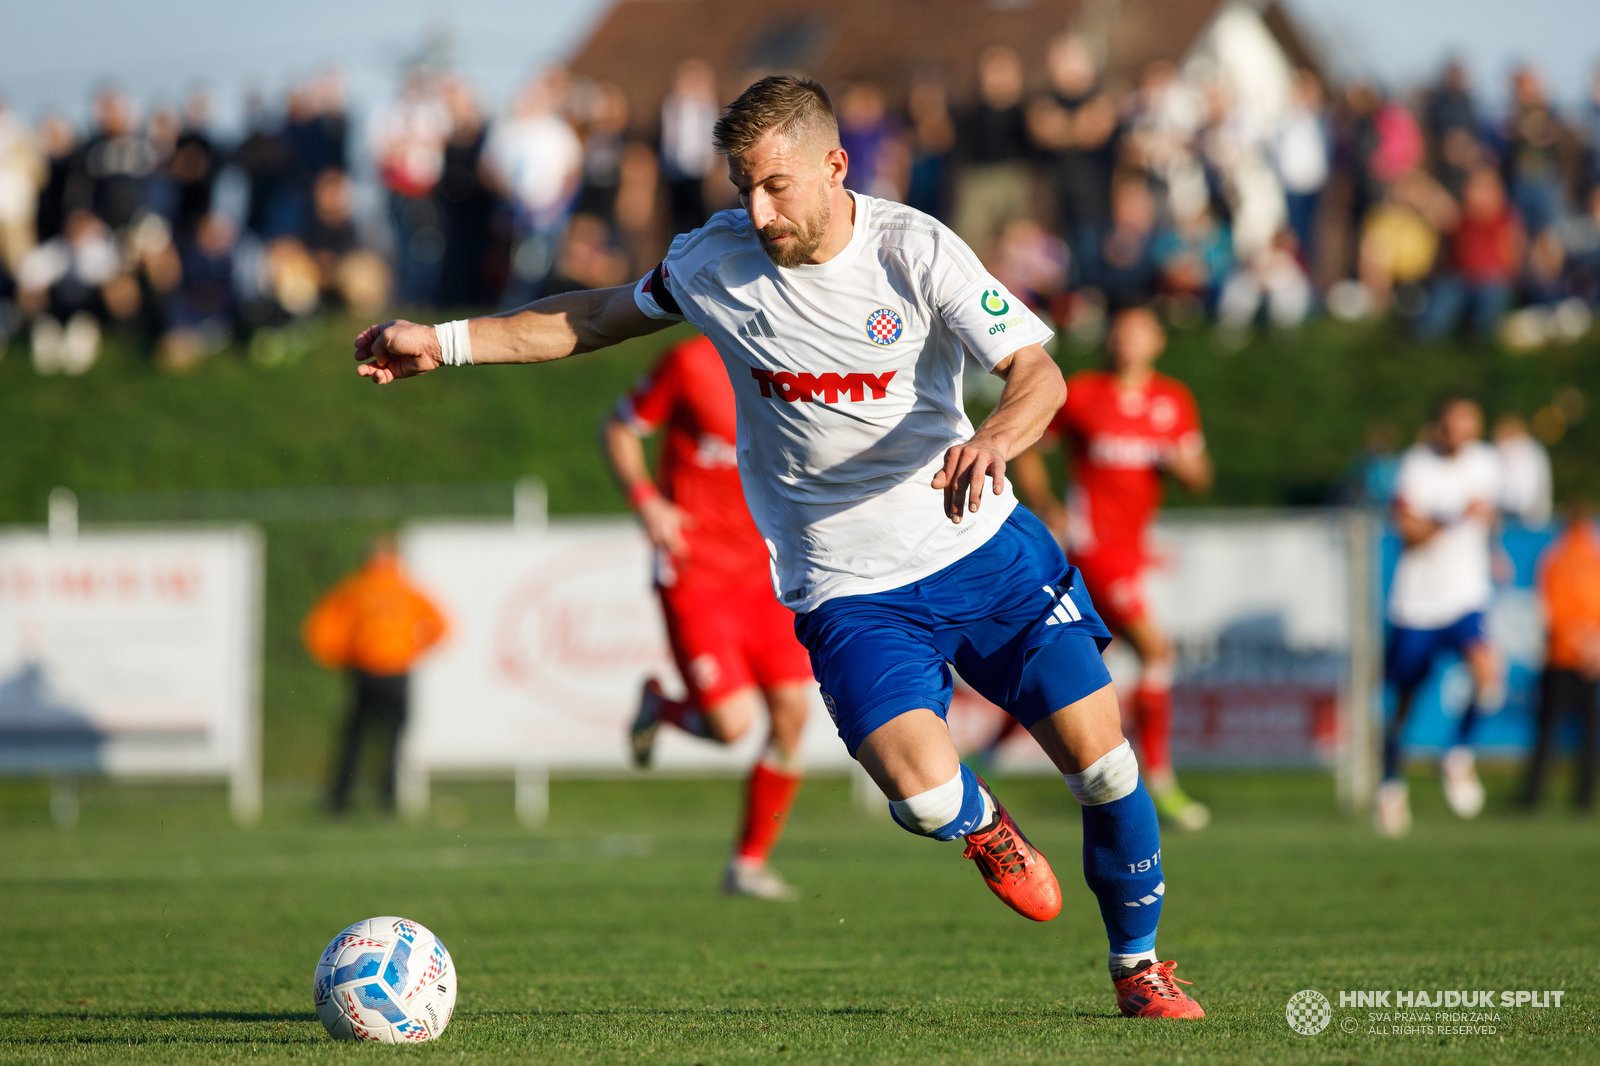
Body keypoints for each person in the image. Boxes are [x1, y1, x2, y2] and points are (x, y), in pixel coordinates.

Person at [352, 75, 1203, 1020]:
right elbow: (592, 318)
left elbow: (1036, 372)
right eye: (742, 187)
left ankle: (1140, 969)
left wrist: (997, 438)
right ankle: (983, 828)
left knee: (1105, 765)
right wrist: (447, 342)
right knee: (924, 800)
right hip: (848, 587)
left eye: (777, 186)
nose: (758, 212)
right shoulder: (713, 262)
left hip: (983, 546)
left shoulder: (916, 250)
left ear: (837, 166)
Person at [603, 333, 815, 900]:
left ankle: (748, 864)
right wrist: (647, 499)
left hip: (765, 574)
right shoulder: (692, 362)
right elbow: (620, 428)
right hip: (695, 572)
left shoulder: (806, 355)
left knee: (793, 714)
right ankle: (662, 706)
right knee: (731, 726)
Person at [1010, 304, 1214, 831]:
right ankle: (1161, 781)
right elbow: (1028, 445)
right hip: (1095, 547)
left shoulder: (1172, 401)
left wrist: (1183, 463)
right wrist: (1047, 503)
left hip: (1133, 548)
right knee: (1156, 649)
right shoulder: (1084, 393)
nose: (1125, 342)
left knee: (1082, 653)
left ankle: (997, 744)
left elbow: (1199, 476)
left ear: (1157, 343)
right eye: (1119, 333)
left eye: (1136, 333)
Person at [1375, 395, 1502, 838]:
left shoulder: (1486, 462)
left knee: (1488, 673)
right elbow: (1409, 534)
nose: (1460, 434)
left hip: (1465, 596)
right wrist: (1451, 519)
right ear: (1438, 427)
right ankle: (1390, 784)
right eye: (1452, 425)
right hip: (1418, 603)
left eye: (1468, 424)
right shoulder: (1415, 467)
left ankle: (1459, 754)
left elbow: (1489, 514)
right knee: (1404, 703)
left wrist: (1495, 548)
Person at [303, 535, 448, 813]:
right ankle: (387, 800)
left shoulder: (357, 587)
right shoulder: (406, 588)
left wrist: (341, 655)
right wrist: (412, 649)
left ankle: (339, 801)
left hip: (366, 672)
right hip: (396, 672)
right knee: (392, 738)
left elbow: (322, 626)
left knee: (355, 737)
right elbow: (441, 625)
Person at [1523, 504, 1600, 810]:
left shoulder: (1554, 558)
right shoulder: (1594, 559)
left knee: (1547, 730)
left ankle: (1532, 797)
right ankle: (1584, 798)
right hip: (1590, 658)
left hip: (1559, 654)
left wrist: (1568, 640)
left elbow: (1548, 610)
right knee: (1589, 732)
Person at [1492, 413, 1552, 526]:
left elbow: (1526, 493)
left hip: (1525, 519)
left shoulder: (1528, 451)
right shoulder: (1534, 450)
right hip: (1517, 518)